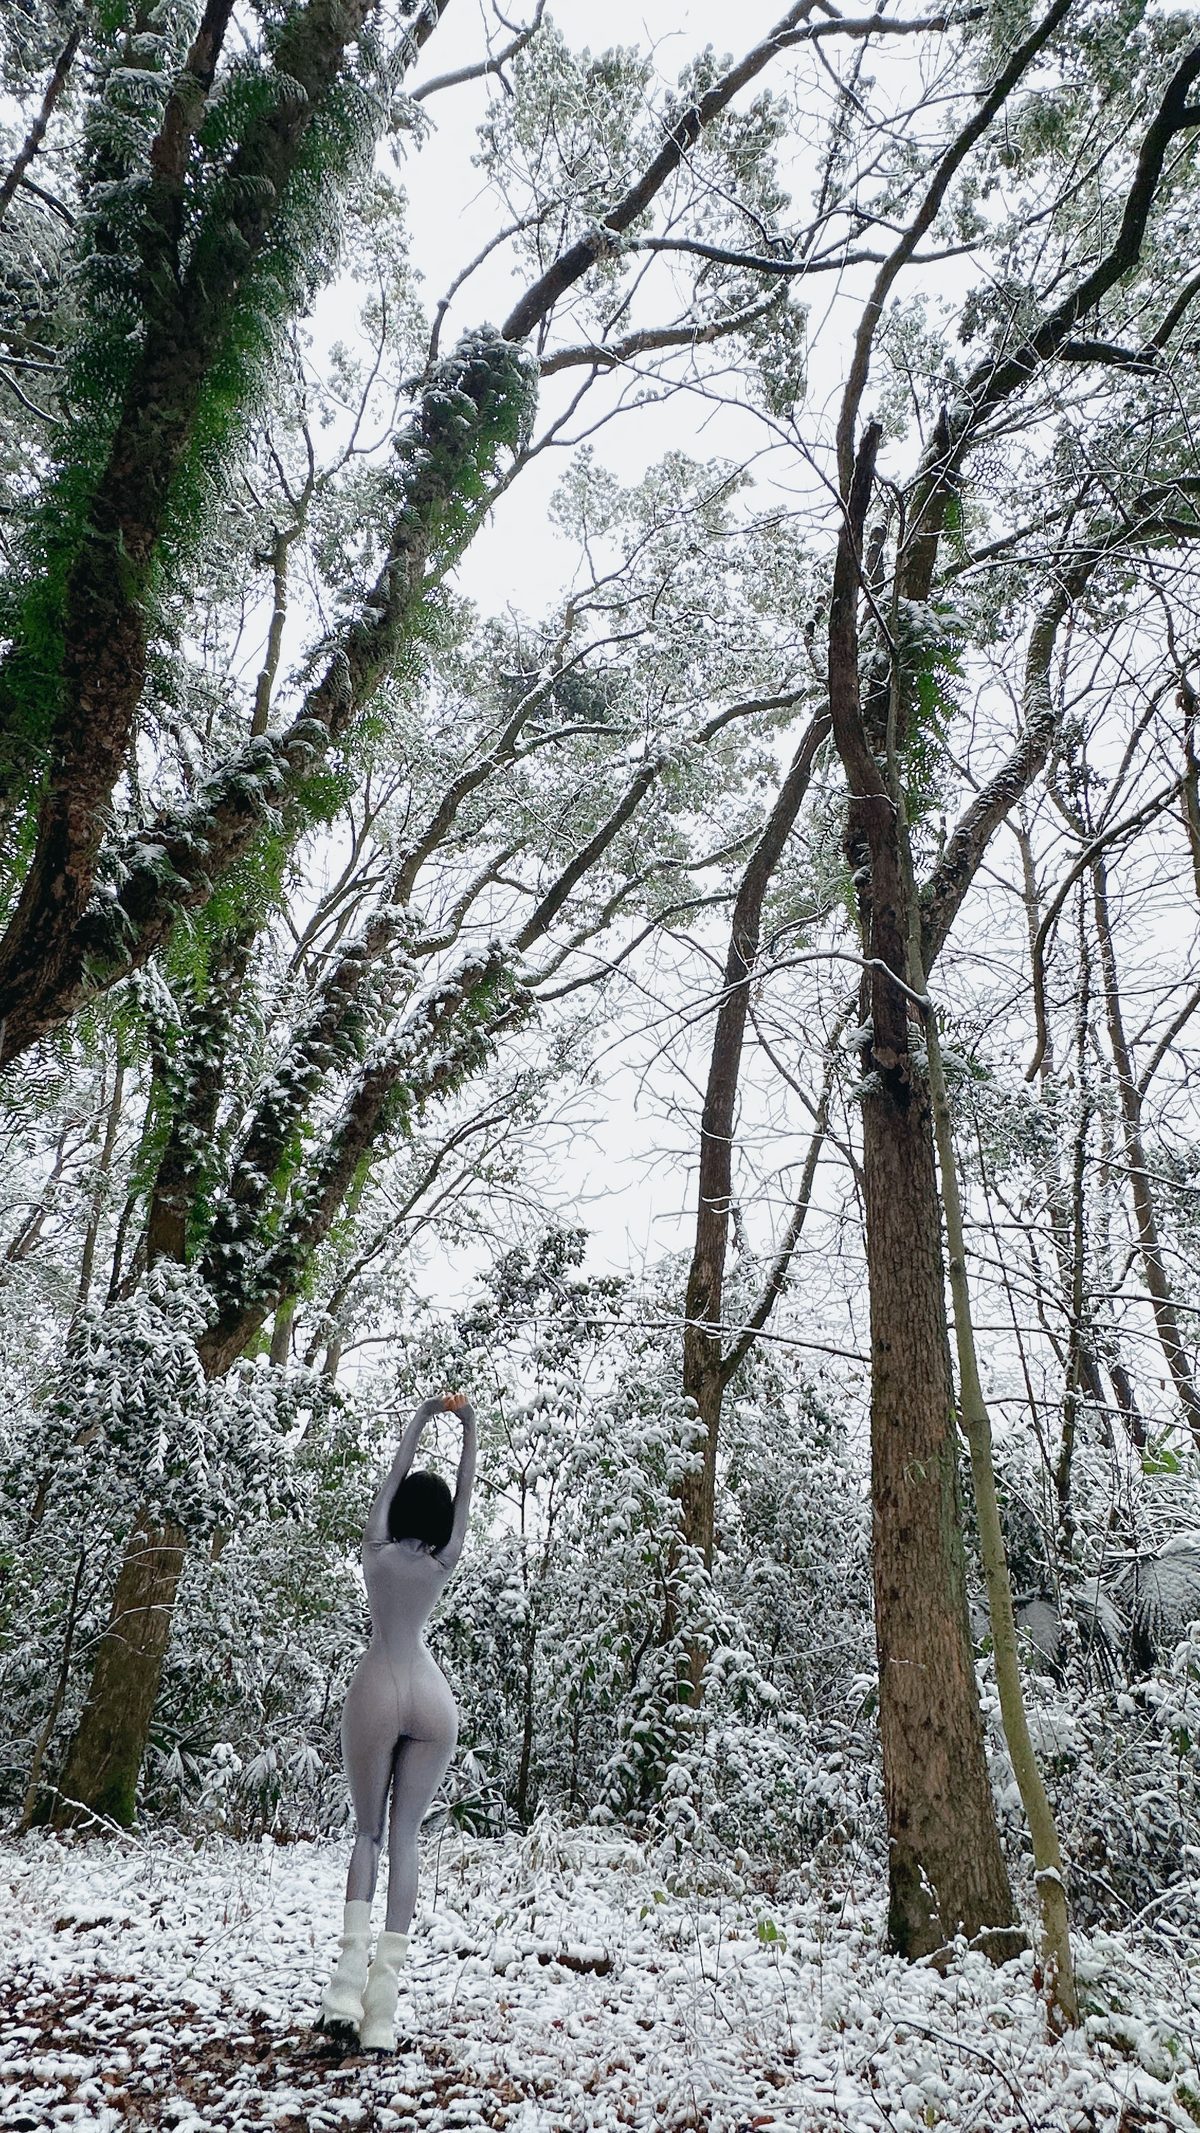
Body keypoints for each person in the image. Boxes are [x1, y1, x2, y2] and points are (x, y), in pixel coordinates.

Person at [320, 1390, 476, 2050]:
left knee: (367, 1835)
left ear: (400, 1507)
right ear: (438, 1519)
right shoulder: (445, 1558)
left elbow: (396, 1469)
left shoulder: (376, 1552)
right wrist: (470, 1426)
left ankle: (345, 1989)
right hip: (433, 1698)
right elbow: (467, 1493)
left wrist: (422, 1417)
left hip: (378, 1685)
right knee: (407, 1839)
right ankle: (382, 2010)